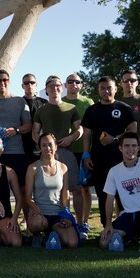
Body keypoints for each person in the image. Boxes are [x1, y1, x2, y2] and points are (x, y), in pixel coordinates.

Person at [81, 76, 137, 226]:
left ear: (115, 89)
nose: (106, 91)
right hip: (98, 160)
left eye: (109, 88)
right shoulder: (92, 110)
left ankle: (126, 227)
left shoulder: (124, 108)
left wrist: (115, 139)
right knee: (102, 194)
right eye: (103, 88)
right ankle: (107, 227)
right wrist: (86, 155)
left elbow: (132, 130)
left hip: (120, 160)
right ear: (98, 90)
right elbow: (86, 135)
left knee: (123, 194)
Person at [32, 76, 82, 226]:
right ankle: (47, 220)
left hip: (67, 152)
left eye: (58, 85)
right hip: (47, 155)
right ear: (46, 89)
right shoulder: (41, 110)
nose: (55, 87)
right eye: (51, 85)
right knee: (49, 190)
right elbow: (35, 132)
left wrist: (71, 138)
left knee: (76, 189)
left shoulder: (71, 108)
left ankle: (80, 224)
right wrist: (43, 144)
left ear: (63, 87)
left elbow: (80, 128)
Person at [25, 134, 79, 248]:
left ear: (56, 147)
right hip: (39, 214)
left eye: (50, 145)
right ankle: (36, 235)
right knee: (37, 223)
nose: (47, 148)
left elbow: (65, 193)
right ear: (39, 148)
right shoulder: (33, 168)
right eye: (44, 145)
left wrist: (66, 214)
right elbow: (27, 196)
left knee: (72, 242)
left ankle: (50, 236)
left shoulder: (63, 167)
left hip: (57, 215)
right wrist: (36, 210)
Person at [63, 73, 95, 235]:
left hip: (84, 152)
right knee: (67, 189)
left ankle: (84, 221)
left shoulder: (88, 102)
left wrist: (88, 151)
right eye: (70, 82)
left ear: (81, 85)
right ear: (65, 85)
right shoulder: (62, 103)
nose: (74, 84)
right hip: (66, 152)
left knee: (84, 188)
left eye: (77, 82)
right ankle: (69, 221)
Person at [21, 73, 47, 165]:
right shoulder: (18, 102)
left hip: (40, 147)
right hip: (22, 147)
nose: (29, 85)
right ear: (22, 86)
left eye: (32, 82)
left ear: (36, 85)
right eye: (26, 83)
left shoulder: (44, 103)